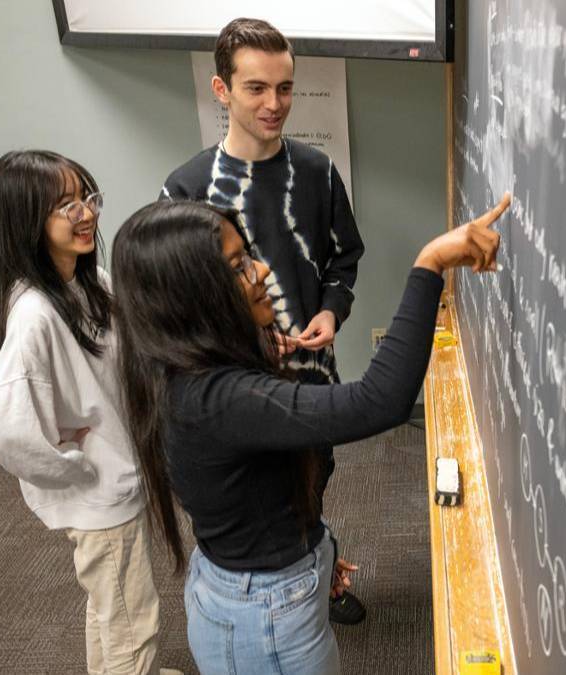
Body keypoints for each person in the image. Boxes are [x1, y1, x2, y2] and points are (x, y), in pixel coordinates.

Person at [110, 193, 509, 674]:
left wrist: (311, 550)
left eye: (248, 256)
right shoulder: (219, 399)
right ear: (191, 297)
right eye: (238, 267)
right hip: (262, 613)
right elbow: (378, 401)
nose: (261, 271)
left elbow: (255, 491)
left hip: (267, 584)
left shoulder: (180, 368)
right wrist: (431, 263)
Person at [159, 17, 369, 624]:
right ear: (221, 90)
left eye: (284, 87)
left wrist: (331, 310)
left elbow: (344, 257)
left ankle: (320, 570)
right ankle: (272, 604)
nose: (274, 103)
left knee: (313, 480)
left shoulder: (317, 172)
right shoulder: (187, 189)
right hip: (235, 395)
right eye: (256, 88)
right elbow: (176, 301)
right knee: (257, 502)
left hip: (311, 380)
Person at [0, 150, 179, 675]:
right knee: (133, 623)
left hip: (115, 479)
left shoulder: (92, 283)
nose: (86, 213)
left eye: (87, 197)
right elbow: (1, 434)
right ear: (27, 220)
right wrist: (73, 469)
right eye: (65, 205)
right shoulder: (34, 314)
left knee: (112, 607)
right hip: (100, 494)